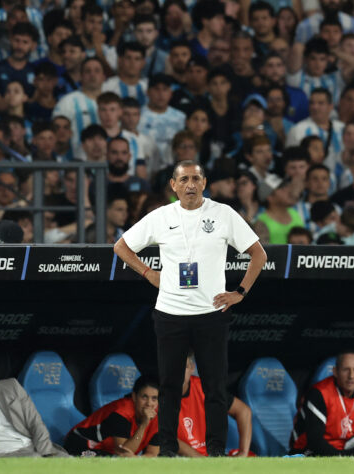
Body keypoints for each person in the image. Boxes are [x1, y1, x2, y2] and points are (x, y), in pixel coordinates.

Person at [113, 160, 267, 457]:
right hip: (170, 313)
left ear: (205, 183)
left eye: (196, 178)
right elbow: (121, 246)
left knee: (215, 389)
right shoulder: (160, 216)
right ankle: (169, 452)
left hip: (212, 314)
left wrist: (240, 293)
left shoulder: (223, 214)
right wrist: (149, 273)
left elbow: (257, 254)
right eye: (184, 180)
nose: (190, 185)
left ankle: (216, 453)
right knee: (169, 388)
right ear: (173, 185)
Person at [290, 352, 354, 456]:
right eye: (345, 370)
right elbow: (315, 442)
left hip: (345, 452)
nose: (351, 376)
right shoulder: (319, 393)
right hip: (307, 451)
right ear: (335, 372)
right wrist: (349, 459)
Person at [176, 352, 252, 457]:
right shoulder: (156, 395)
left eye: (183, 367)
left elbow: (244, 411)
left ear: (192, 368)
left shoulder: (204, 388)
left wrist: (243, 452)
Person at [64, 375, 160, 457]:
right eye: (144, 397)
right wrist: (143, 425)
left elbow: (152, 454)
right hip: (80, 445)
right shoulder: (121, 412)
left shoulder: (157, 416)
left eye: (154, 399)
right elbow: (123, 453)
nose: (149, 403)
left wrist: (138, 459)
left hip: (107, 452)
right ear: (134, 397)